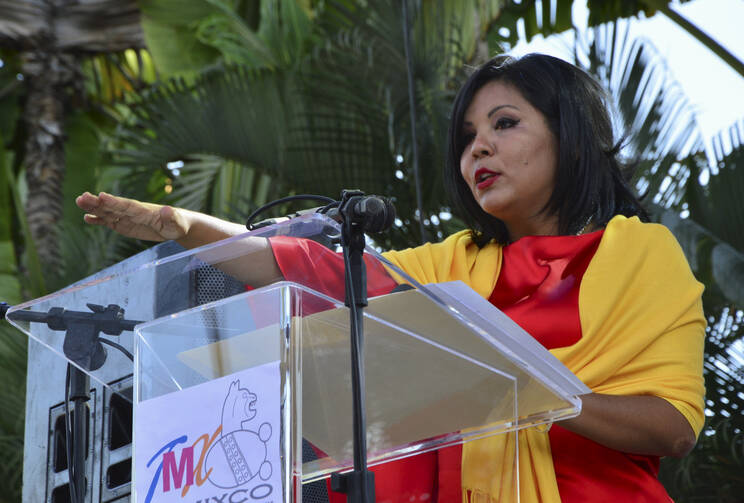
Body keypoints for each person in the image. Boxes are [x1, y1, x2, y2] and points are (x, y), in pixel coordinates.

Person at [76, 53, 705, 502]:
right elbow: (314, 272)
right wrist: (183, 226)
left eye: (504, 124)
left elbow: (671, 427)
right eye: (467, 138)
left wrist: (533, 391)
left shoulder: (637, 253)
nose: (477, 149)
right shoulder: (453, 264)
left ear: (569, 136)